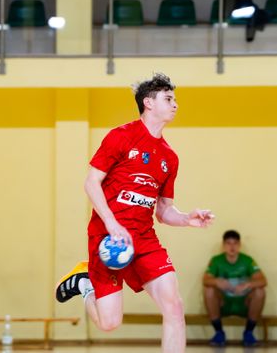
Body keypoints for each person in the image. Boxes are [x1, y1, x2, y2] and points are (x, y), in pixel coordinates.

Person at [55, 73, 215, 353]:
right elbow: (91, 183)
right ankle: (85, 283)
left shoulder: (169, 157)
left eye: (175, 99)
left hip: (144, 239)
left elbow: (164, 210)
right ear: (148, 103)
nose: (175, 104)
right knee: (109, 323)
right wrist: (111, 223)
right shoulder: (121, 136)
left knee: (174, 307)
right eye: (168, 99)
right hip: (108, 238)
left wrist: (186, 218)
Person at [203, 230, 267, 347]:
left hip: (244, 303)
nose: (232, 247)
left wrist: (248, 284)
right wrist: (217, 281)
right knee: (209, 290)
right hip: (223, 303)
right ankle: (219, 333)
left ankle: (248, 333)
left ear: (239, 245)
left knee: (259, 291)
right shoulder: (216, 260)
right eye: (228, 243)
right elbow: (205, 280)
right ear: (223, 245)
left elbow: (263, 281)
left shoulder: (248, 260)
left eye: (235, 243)